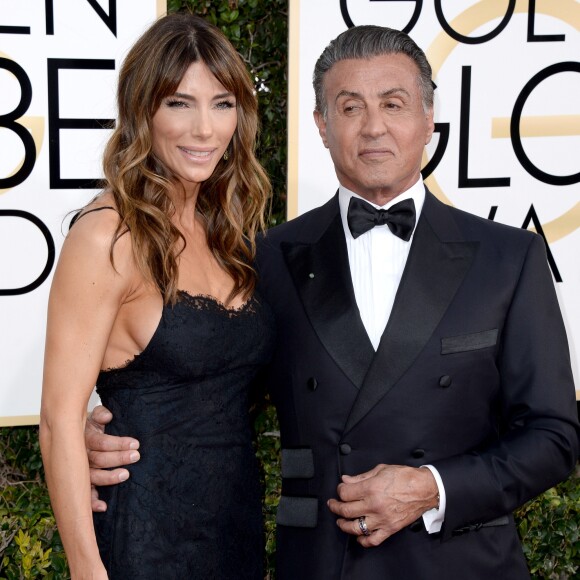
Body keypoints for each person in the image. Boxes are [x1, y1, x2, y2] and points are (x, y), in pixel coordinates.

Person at [84, 25, 579, 579]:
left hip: (464, 564)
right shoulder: (264, 258)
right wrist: (113, 430)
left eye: (394, 104)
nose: (373, 127)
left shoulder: (509, 258)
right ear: (321, 126)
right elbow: (210, 389)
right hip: (322, 564)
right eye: (350, 107)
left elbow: (554, 436)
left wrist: (433, 488)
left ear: (429, 118)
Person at [39, 12, 274, 580]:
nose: (204, 129)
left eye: (222, 103)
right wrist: (86, 571)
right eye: (179, 103)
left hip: (233, 532)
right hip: (144, 541)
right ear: (143, 109)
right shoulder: (107, 235)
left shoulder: (230, 232)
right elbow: (58, 420)